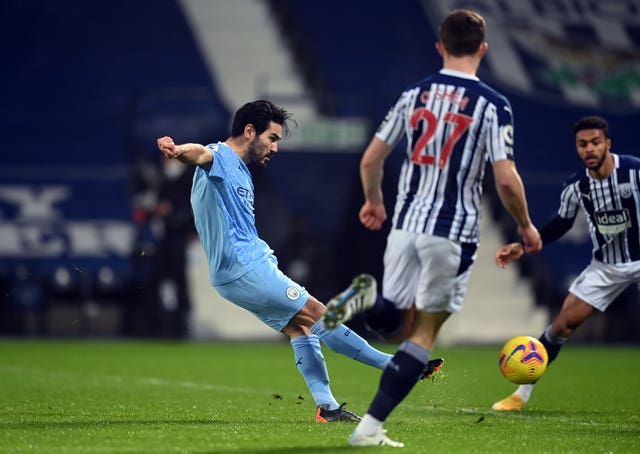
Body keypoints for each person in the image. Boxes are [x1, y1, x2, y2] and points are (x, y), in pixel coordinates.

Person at [323, 9, 542, 447]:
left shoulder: (413, 94)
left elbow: (371, 160)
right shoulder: (493, 104)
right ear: (483, 49)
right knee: (421, 336)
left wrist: (373, 201)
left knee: (389, 322)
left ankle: (366, 297)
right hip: (451, 230)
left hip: (404, 225)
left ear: (440, 47)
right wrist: (526, 225)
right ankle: (367, 430)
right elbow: (504, 177)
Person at [156, 100, 442, 424]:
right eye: (273, 138)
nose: (275, 148)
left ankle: (328, 407)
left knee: (301, 328)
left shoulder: (239, 170)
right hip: (245, 267)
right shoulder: (220, 156)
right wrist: (179, 150)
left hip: (237, 271)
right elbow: (200, 154)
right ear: (250, 131)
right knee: (320, 313)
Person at [492, 115, 640, 411]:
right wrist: (523, 246)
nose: (589, 149)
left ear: (607, 144)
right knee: (560, 326)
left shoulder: (635, 172)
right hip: (606, 267)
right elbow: (561, 223)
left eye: (595, 143)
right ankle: (520, 396)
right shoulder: (577, 186)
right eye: (582, 144)